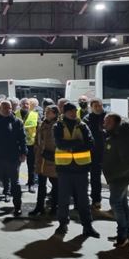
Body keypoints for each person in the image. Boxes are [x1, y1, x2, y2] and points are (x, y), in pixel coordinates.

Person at [53, 102, 99, 238]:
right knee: (63, 199)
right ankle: (62, 224)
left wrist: (72, 146)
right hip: (64, 168)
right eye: (71, 111)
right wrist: (78, 143)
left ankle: (87, 226)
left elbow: (91, 143)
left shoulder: (83, 125)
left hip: (81, 168)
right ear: (65, 113)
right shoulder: (58, 126)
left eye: (74, 111)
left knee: (83, 199)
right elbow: (60, 144)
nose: (73, 113)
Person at [0, 101, 27, 216]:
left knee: (15, 184)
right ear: (0, 109)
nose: (8, 110)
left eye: (9, 108)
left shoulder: (17, 122)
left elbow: (22, 139)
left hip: (12, 158)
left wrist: (23, 153)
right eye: (5, 108)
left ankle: (17, 206)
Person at [102, 113, 129, 248]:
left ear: (116, 122)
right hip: (117, 176)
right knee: (122, 204)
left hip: (119, 177)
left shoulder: (122, 137)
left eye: (108, 121)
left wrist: (115, 175)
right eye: (105, 120)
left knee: (115, 203)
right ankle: (125, 235)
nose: (105, 122)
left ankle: (123, 236)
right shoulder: (115, 134)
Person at [30, 105, 59, 216]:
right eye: (46, 111)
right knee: (41, 185)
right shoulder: (42, 124)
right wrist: (36, 149)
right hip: (41, 159)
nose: (46, 113)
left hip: (52, 159)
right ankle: (39, 207)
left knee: (56, 185)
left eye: (49, 112)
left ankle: (54, 208)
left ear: (55, 113)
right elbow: (37, 139)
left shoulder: (58, 125)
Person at [82, 98, 106, 210]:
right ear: (91, 107)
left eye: (99, 105)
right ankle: (96, 200)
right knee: (94, 178)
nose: (98, 108)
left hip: (108, 153)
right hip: (93, 153)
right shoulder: (87, 119)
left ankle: (118, 201)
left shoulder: (108, 117)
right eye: (95, 106)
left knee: (114, 177)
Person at [16, 98, 40, 193]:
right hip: (18, 145)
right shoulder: (15, 114)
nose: (25, 105)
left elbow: (38, 130)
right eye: (23, 104)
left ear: (29, 105)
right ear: (20, 105)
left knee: (31, 166)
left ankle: (31, 184)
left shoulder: (35, 115)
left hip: (31, 144)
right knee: (16, 166)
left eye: (27, 104)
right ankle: (16, 184)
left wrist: (37, 143)